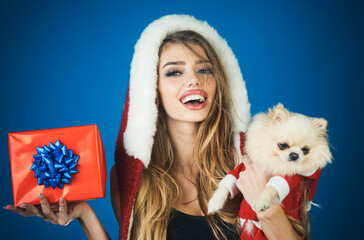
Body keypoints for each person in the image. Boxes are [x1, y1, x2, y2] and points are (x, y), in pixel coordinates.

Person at [5, 15, 304, 240]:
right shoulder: (132, 179)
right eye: (174, 71)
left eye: (204, 69)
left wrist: (266, 207)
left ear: (218, 84)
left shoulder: (254, 161)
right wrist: (84, 214)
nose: (194, 80)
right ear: (152, 90)